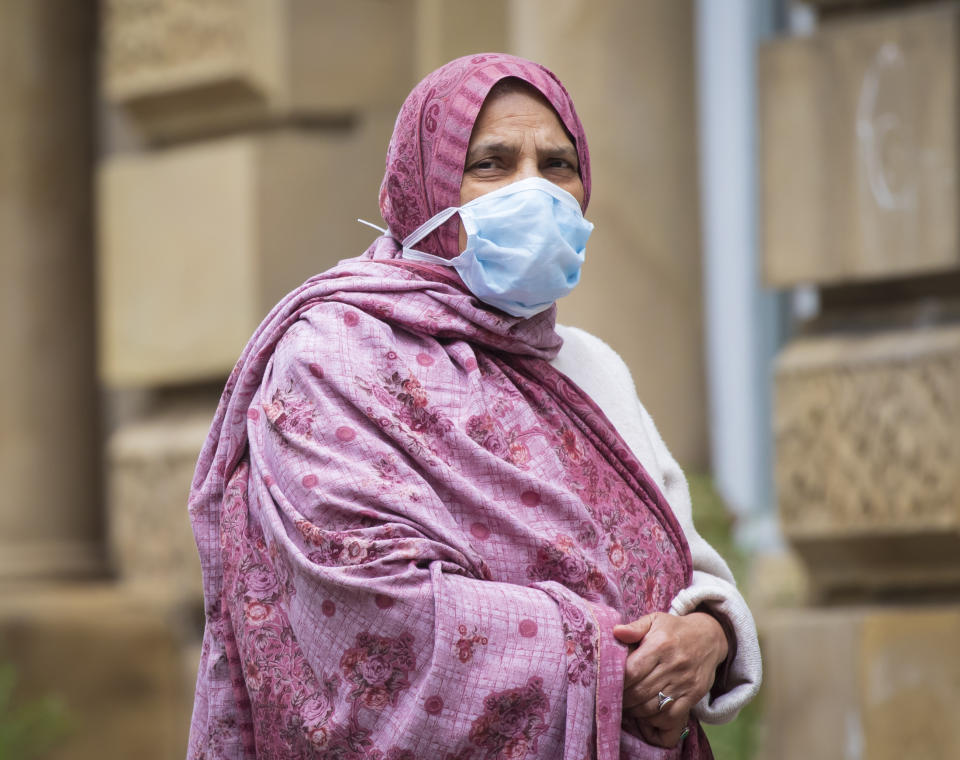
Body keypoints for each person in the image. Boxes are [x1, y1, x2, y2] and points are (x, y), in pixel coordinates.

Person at [187, 53, 761, 760]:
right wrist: (613, 669)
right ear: (423, 187)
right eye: (491, 163)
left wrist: (712, 633)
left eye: (557, 166)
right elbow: (372, 613)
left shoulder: (590, 367)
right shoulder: (336, 359)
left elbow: (690, 565)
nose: (534, 191)